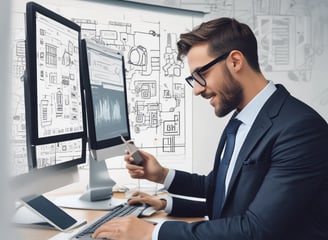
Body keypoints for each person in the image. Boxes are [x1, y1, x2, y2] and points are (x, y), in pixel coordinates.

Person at [92, 17, 328, 240]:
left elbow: (256, 229)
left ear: (235, 61)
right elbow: (222, 192)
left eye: (201, 75)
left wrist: (152, 234)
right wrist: (162, 177)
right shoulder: (243, 119)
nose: (196, 89)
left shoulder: (299, 129)